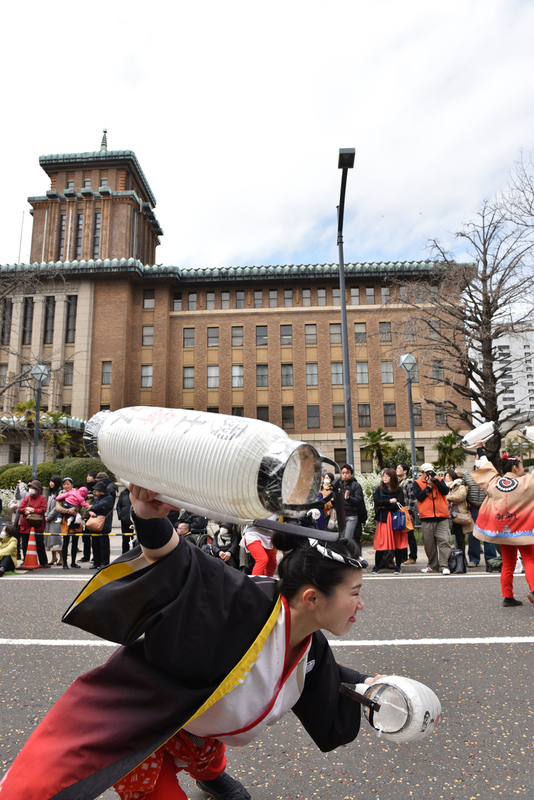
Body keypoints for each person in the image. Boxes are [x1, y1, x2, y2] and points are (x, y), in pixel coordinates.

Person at [0, 483, 383, 800]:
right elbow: (183, 562)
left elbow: (326, 673)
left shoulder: (310, 644)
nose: (361, 604)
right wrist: (149, 518)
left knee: (209, 756)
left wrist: (370, 685)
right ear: (312, 598)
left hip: (204, 728)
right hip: (146, 720)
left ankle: (211, 776)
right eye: (355, 592)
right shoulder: (243, 601)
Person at [472, 442, 534, 608]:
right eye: (521, 466)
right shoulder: (526, 483)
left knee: (508, 563)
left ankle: (508, 596)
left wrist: (479, 448)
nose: (523, 469)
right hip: (522, 531)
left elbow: (485, 466)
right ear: (515, 468)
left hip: (502, 531)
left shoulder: (494, 483)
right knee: (530, 560)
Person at [414, 463, 451, 575]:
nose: (429, 474)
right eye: (427, 472)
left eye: (431, 472)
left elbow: (445, 491)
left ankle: (444, 565)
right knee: (429, 544)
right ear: (422, 473)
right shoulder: (417, 483)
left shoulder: (439, 480)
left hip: (441, 517)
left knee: (444, 541)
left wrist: (435, 481)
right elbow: (419, 496)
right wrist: (429, 487)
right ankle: (432, 565)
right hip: (427, 517)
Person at [372, 468, 407, 574]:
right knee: (381, 543)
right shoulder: (379, 489)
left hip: (396, 519)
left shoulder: (399, 489)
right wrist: (390, 501)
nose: (385, 477)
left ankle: (398, 567)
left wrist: (384, 505)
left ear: (392, 477)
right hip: (384, 519)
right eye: (383, 476)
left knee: (398, 543)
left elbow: (400, 503)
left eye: (387, 475)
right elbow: (377, 502)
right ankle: (377, 566)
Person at [462, 461, 497, 568]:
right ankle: (473, 559)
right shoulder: (467, 475)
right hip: (472, 507)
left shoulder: (490, 475)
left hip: (487, 507)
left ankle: (491, 559)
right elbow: (463, 491)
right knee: (473, 535)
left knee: (489, 534)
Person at [18, 479, 48, 567]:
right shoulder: (26, 499)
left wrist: (33, 510)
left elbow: (43, 509)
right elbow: (20, 509)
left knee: (39, 544)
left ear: (38, 489)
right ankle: (25, 561)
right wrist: (25, 511)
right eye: (30, 487)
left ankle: (43, 562)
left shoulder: (42, 499)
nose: (31, 489)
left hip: (37, 525)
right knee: (25, 544)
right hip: (26, 525)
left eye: (33, 488)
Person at [444, 470, 473, 557]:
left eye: (448, 476)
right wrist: (451, 499)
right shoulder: (443, 488)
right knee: (446, 539)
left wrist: (448, 498)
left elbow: (460, 497)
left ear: (453, 477)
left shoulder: (460, 486)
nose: (446, 478)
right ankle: (450, 558)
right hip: (447, 515)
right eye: (445, 476)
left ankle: (461, 558)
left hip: (459, 515)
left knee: (460, 538)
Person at [56, 477, 82, 570]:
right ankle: (64, 562)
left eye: (68, 484)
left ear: (72, 485)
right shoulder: (61, 495)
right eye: (64, 484)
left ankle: (73, 562)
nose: (66, 486)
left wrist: (75, 509)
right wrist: (67, 510)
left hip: (75, 520)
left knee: (75, 542)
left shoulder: (77, 493)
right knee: (65, 542)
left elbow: (80, 505)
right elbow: (58, 508)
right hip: (65, 520)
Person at [339, 464, 367, 548]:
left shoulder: (356, 485)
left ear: (351, 474)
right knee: (340, 539)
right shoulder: (339, 485)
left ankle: (351, 558)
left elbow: (358, 501)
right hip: (341, 516)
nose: (345, 475)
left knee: (347, 539)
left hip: (352, 516)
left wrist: (348, 498)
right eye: (343, 473)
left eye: (347, 473)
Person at [88, 481, 115, 569]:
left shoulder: (109, 498)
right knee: (95, 545)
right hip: (95, 525)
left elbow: (101, 506)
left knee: (103, 545)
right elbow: (91, 508)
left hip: (104, 525)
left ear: (101, 491)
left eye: (96, 491)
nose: (95, 493)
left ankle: (104, 563)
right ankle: (96, 562)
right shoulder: (97, 498)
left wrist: (91, 508)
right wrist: (90, 512)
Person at [396, 463, 418, 564]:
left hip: (407, 511)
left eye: (399, 468)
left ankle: (412, 556)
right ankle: (403, 556)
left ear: (405, 471)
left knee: (409, 534)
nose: (397, 470)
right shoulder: (397, 482)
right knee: (401, 534)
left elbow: (412, 498)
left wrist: (409, 512)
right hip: (399, 511)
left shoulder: (408, 482)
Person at [44, 475, 63, 566]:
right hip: (49, 520)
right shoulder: (51, 493)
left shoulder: (60, 492)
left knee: (56, 540)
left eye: (53, 481)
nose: (50, 483)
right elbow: (48, 506)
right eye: (50, 481)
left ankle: (62, 558)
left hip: (55, 520)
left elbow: (57, 508)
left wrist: (49, 516)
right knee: (50, 541)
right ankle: (53, 557)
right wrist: (46, 515)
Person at [116, 486, 134, 554]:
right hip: (124, 520)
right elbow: (118, 506)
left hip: (134, 521)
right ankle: (125, 554)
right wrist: (121, 516)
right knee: (125, 540)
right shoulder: (123, 493)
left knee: (135, 539)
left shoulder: (136, 493)